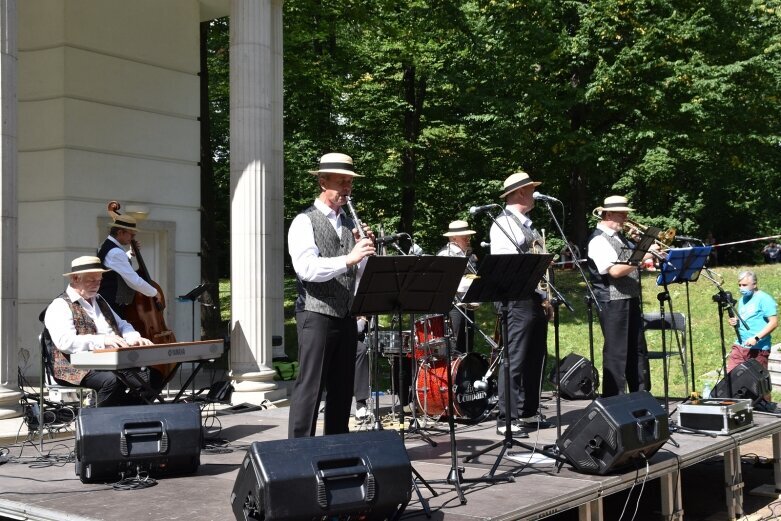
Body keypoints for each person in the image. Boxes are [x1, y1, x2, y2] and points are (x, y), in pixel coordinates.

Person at [287, 152, 375, 438]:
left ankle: (336, 448)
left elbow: (356, 274)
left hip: (346, 315)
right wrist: (349, 258)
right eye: (341, 183)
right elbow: (307, 269)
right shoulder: (304, 221)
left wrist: (364, 255)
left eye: (349, 183)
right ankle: (298, 453)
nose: (346, 189)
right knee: (310, 387)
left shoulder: (350, 226)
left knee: (342, 388)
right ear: (322, 182)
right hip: (316, 313)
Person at [43, 256, 158, 407]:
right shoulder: (60, 305)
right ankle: (91, 420)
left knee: (151, 378)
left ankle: (124, 416)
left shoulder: (99, 300)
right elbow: (65, 343)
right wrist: (102, 340)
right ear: (75, 278)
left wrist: (133, 337)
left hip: (108, 362)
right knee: (112, 381)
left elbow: (122, 324)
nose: (97, 285)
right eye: (91, 280)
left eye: (99, 280)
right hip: (74, 367)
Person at [489, 171, 552, 437]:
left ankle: (527, 411)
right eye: (530, 189)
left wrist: (545, 296)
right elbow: (508, 265)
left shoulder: (527, 225)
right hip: (515, 298)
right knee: (515, 357)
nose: (534, 194)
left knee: (535, 354)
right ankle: (507, 416)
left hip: (533, 296)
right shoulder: (503, 224)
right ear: (520, 193)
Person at [586, 195, 656, 397]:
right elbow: (614, 271)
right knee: (617, 354)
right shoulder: (598, 240)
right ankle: (614, 400)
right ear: (608, 214)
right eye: (622, 214)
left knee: (637, 350)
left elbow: (630, 260)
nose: (626, 218)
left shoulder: (620, 237)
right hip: (612, 301)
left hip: (629, 297)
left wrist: (644, 249)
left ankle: (641, 395)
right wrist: (642, 256)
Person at [727, 270, 778, 402]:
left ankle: (767, 408)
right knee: (731, 377)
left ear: (754, 284)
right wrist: (736, 322)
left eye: (744, 285)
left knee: (760, 384)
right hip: (739, 346)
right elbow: (746, 319)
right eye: (739, 285)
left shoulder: (765, 299)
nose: (741, 289)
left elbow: (774, 323)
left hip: (758, 348)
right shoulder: (743, 299)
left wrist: (756, 338)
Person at [97, 212, 159, 318]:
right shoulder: (116, 253)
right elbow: (134, 281)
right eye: (132, 234)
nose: (133, 238)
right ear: (120, 232)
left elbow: (115, 266)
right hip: (112, 305)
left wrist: (129, 254)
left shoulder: (106, 245)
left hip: (106, 302)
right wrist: (154, 293)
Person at [437, 220, 478, 353]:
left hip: (467, 306)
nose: (468, 239)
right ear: (454, 238)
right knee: (455, 346)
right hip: (453, 308)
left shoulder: (467, 254)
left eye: (468, 236)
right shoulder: (446, 254)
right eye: (464, 236)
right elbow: (449, 283)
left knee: (467, 346)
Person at [354, 315, 370, 421]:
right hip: (348, 334)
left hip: (366, 334)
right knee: (361, 350)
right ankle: (361, 404)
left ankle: (406, 401)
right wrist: (361, 321)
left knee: (398, 347)